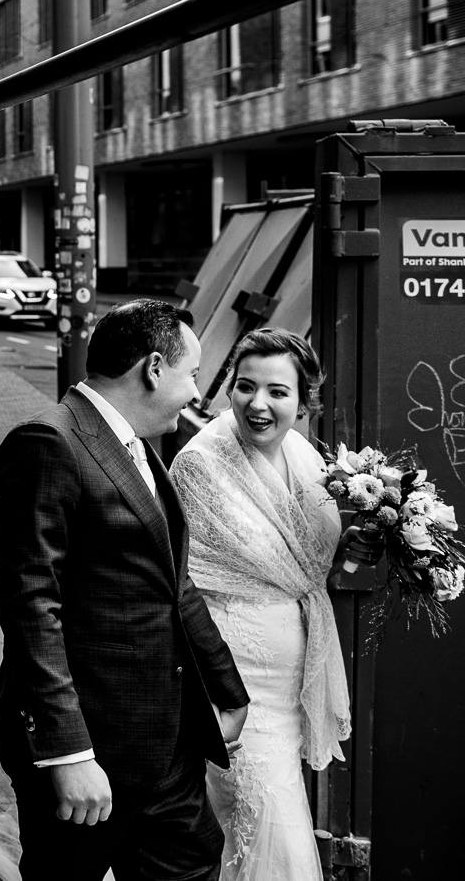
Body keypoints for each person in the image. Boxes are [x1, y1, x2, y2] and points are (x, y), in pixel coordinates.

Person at [0, 299, 251, 881]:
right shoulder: (48, 444)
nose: (196, 394)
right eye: (193, 375)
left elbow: (170, 583)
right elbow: (33, 606)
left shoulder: (139, 443)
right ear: (154, 368)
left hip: (167, 747)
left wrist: (227, 693)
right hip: (91, 755)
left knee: (195, 860)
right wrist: (68, 754)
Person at [167, 329, 364, 881]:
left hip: (288, 688)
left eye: (277, 392)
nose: (258, 403)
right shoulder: (200, 465)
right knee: (267, 821)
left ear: (305, 403)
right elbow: (189, 580)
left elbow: (303, 563)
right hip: (235, 685)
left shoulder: (304, 455)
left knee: (254, 825)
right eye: (245, 386)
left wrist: (349, 547)